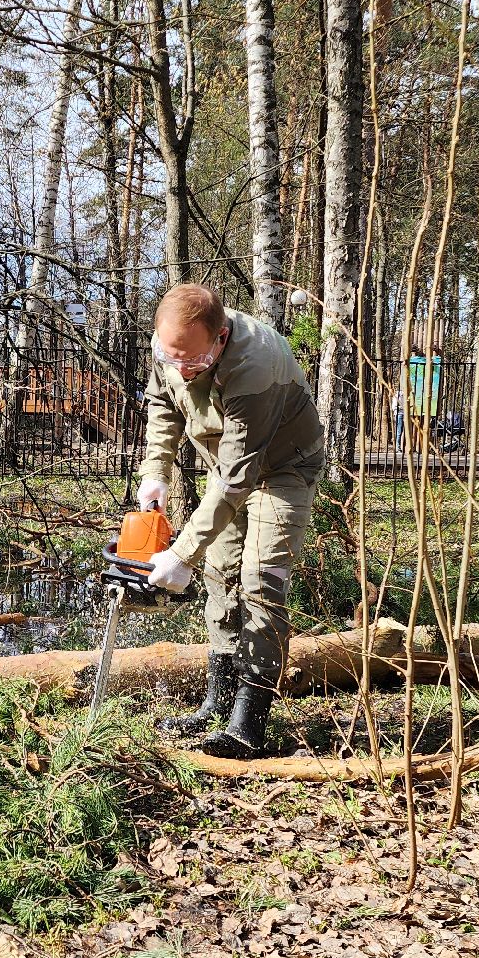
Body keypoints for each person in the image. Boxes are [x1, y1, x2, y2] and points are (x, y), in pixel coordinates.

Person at [135, 283, 325, 759]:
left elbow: (240, 479)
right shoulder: (173, 345)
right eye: (170, 356)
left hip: (282, 468)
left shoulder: (254, 366)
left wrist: (180, 555)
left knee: (260, 579)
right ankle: (217, 702)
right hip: (229, 469)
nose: (180, 368)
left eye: (193, 363)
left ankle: (249, 721)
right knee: (220, 574)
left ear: (220, 339)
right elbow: (162, 404)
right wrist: (155, 471)